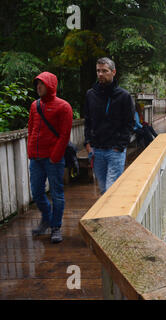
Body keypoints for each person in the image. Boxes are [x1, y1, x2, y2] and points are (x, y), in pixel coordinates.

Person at [28, 71, 73, 243]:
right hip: (36, 158)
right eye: (37, 84)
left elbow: (64, 134)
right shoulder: (34, 105)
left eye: (42, 84)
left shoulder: (63, 106)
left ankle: (56, 227)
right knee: (37, 192)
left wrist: (55, 156)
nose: (38, 87)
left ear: (50, 86)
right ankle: (47, 218)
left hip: (53, 159)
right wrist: (30, 150)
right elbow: (31, 128)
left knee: (57, 194)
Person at [84, 57, 135, 195]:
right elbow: (87, 120)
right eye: (98, 71)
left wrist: (120, 145)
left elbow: (129, 123)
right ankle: (108, 217)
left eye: (104, 71)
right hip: (96, 150)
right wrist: (88, 143)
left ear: (113, 72)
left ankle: (112, 216)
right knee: (103, 190)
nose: (100, 74)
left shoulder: (124, 96)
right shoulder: (90, 95)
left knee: (111, 190)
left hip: (115, 151)